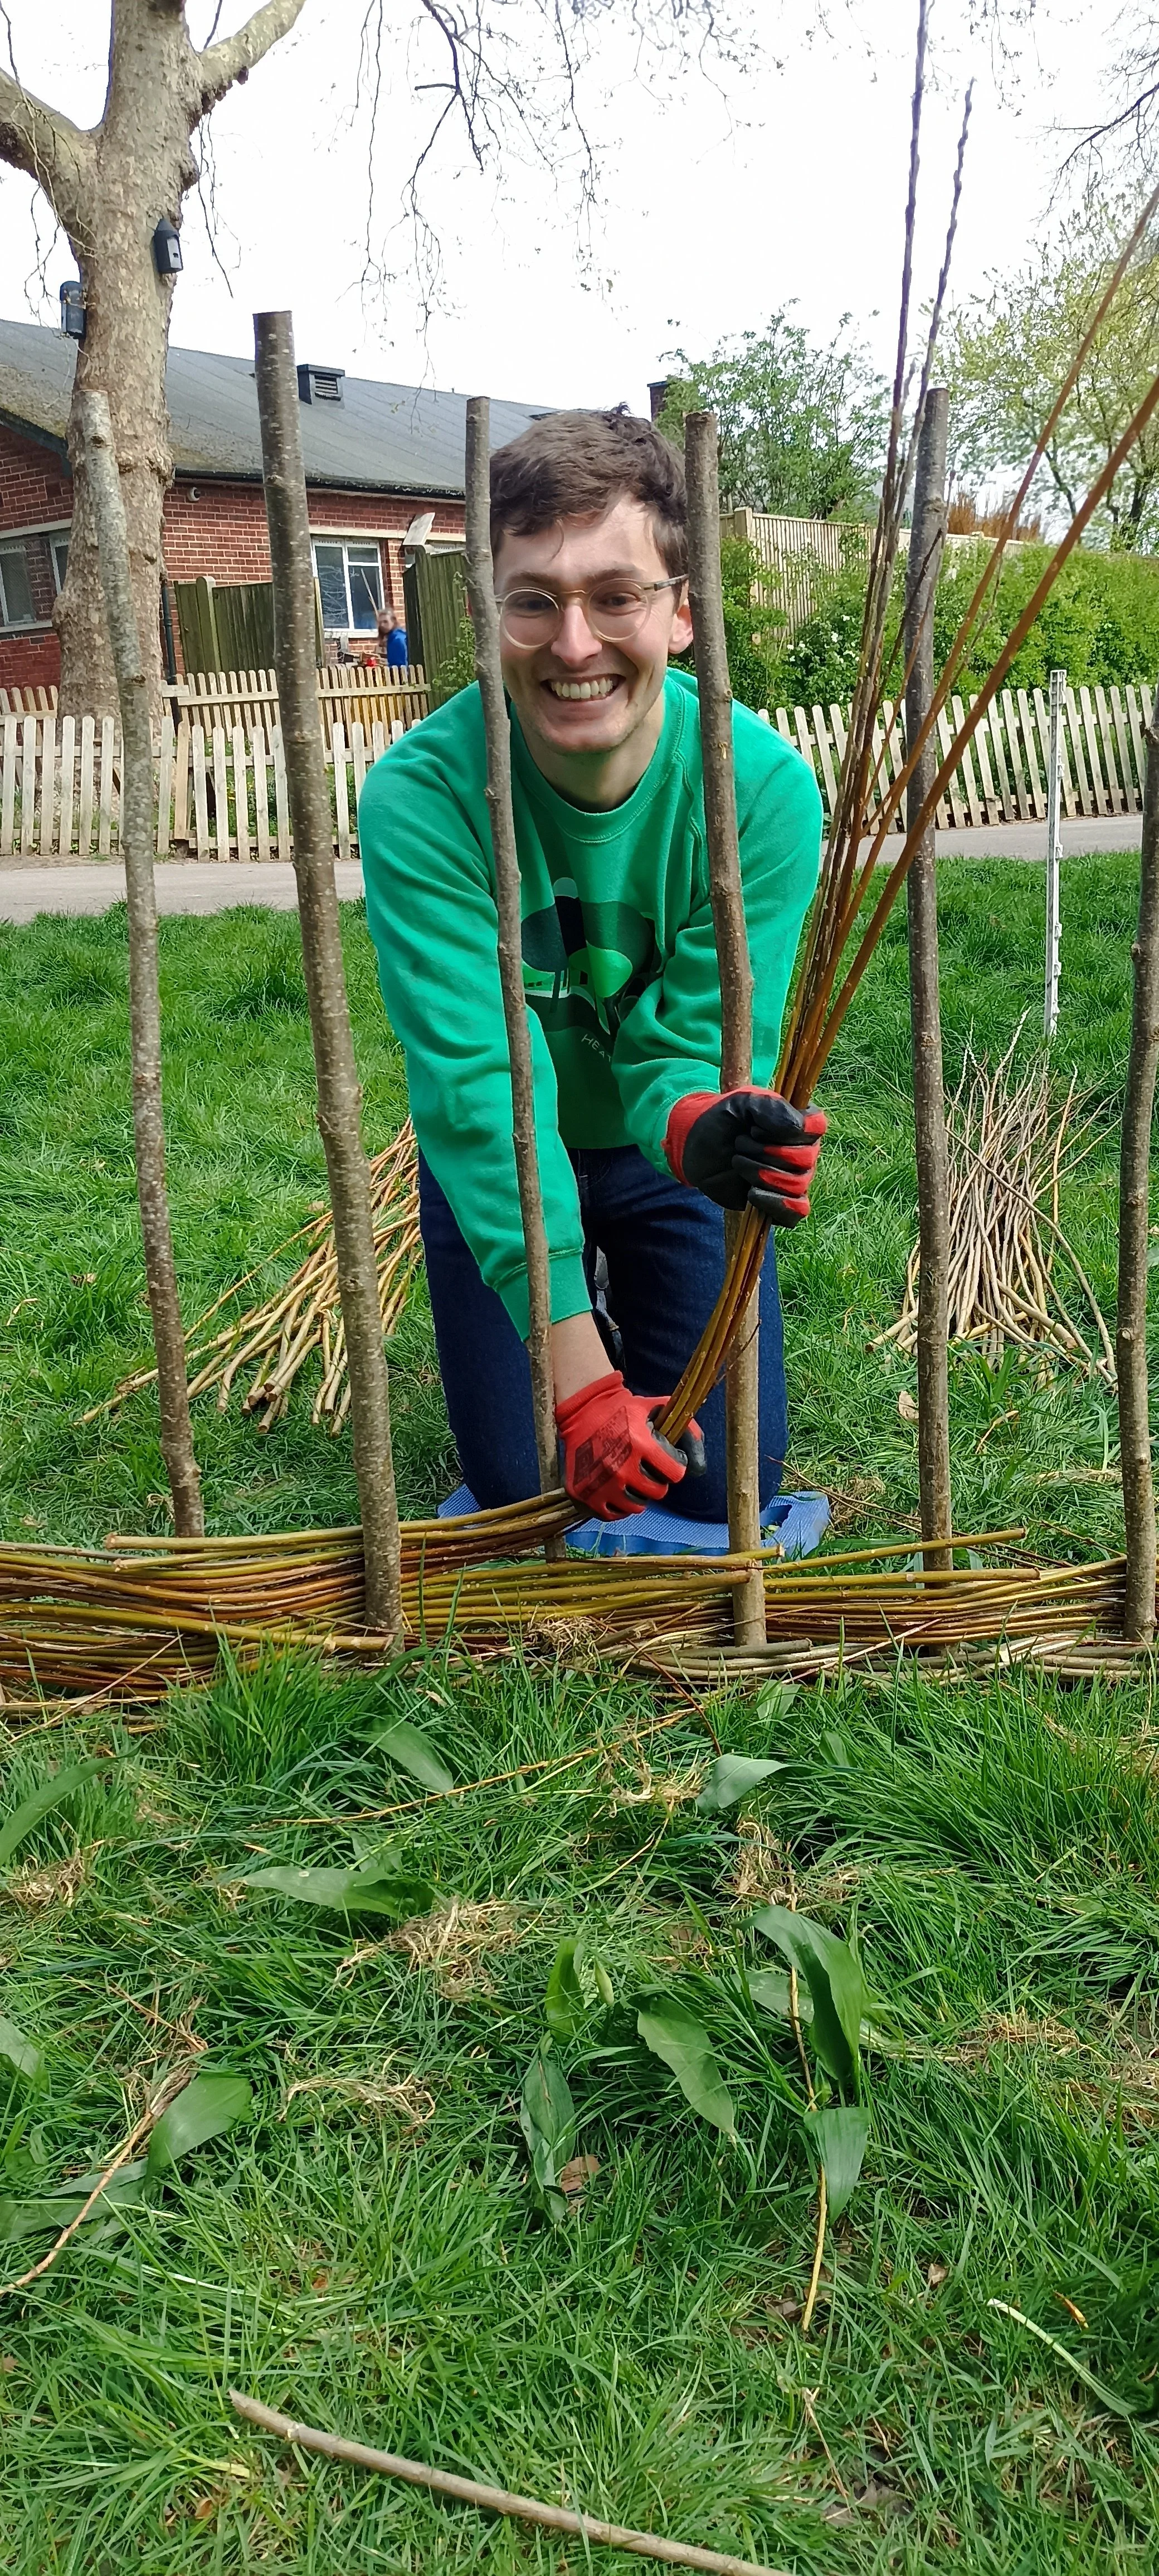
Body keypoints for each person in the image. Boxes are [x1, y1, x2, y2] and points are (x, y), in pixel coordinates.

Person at [359, 408, 824, 1534]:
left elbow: (701, 1033)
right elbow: (477, 1087)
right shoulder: (422, 799)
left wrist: (700, 1129)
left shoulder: (758, 792)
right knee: (529, 1489)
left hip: (663, 1153)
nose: (574, 643)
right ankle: (573, 1316)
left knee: (719, 1482)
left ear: (678, 612)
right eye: (534, 599)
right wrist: (580, 1380)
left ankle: (626, 1295)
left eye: (613, 595)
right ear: (490, 612)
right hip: (505, 1158)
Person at [376, 603, 410, 669]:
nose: (382, 625)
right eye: (380, 623)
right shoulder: (392, 639)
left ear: (393, 621)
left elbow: (402, 665)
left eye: (385, 622)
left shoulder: (398, 640)